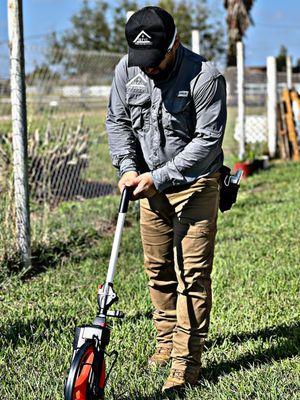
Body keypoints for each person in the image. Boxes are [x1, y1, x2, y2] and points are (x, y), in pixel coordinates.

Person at [106, 5, 227, 395]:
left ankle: (186, 362)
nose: (148, 68)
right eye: (142, 60)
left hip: (195, 184)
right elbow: (118, 121)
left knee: (192, 274)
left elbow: (207, 143)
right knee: (157, 268)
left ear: (174, 44)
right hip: (147, 185)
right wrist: (127, 166)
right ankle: (165, 342)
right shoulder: (128, 69)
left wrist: (157, 177)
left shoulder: (205, 77)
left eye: (155, 60)